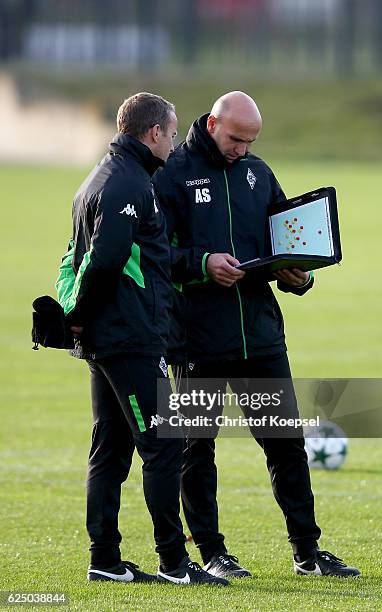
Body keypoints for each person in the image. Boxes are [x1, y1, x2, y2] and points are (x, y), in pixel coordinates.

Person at [153, 91, 360, 578]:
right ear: (211, 124)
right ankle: (212, 554)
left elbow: (286, 242)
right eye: (236, 139)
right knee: (196, 449)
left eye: (250, 141)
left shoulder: (258, 175)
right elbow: (156, 252)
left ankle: (308, 552)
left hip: (260, 339)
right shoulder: (172, 176)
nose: (243, 149)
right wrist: (203, 265)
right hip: (195, 341)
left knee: (285, 444)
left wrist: (300, 274)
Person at [55, 93, 228, 586]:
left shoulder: (99, 178)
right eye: (172, 134)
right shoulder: (129, 184)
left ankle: (105, 560)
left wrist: (79, 319)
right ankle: (174, 563)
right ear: (153, 133)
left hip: (112, 337)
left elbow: (81, 255)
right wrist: (82, 316)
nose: (175, 144)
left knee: (110, 447)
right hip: (130, 338)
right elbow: (106, 261)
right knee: (164, 445)